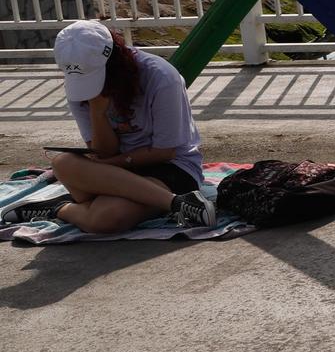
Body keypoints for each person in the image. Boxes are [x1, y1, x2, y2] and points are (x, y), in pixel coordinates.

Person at [2, 20, 214, 232]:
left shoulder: (161, 77)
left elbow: (165, 152)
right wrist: (97, 112)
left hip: (172, 167)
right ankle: (176, 203)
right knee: (62, 162)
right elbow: (103, 152)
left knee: (106, 219)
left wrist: (105, 167)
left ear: (114, 61)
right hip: (115, 168)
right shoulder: (77, 84)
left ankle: (59, 208)